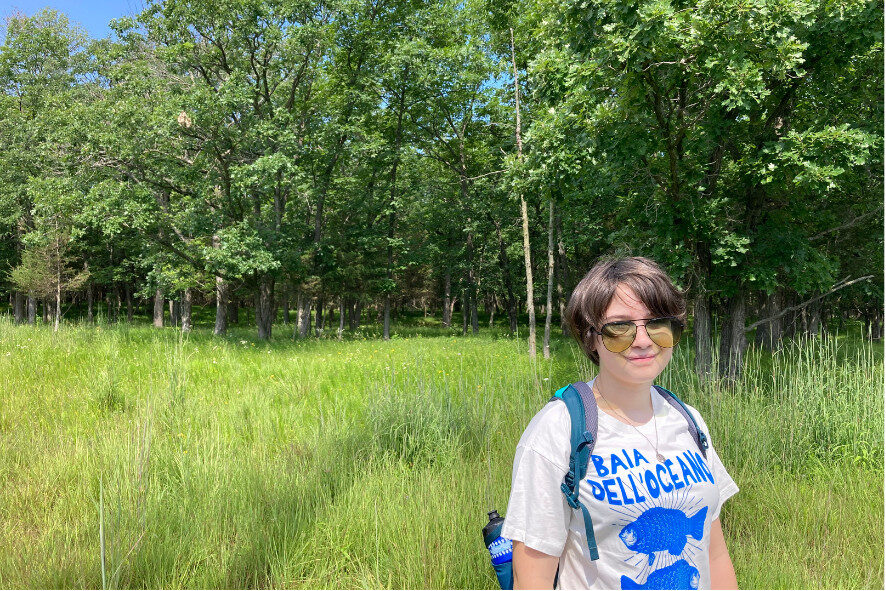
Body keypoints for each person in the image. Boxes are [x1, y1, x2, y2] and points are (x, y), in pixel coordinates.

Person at [501, 257, 738, 590]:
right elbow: (533, 575)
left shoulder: (688, 419)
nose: (642, 340)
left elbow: (713, 555)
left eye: (657, 323)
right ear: (591, 337)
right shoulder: (559, 430)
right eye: (620, 327)